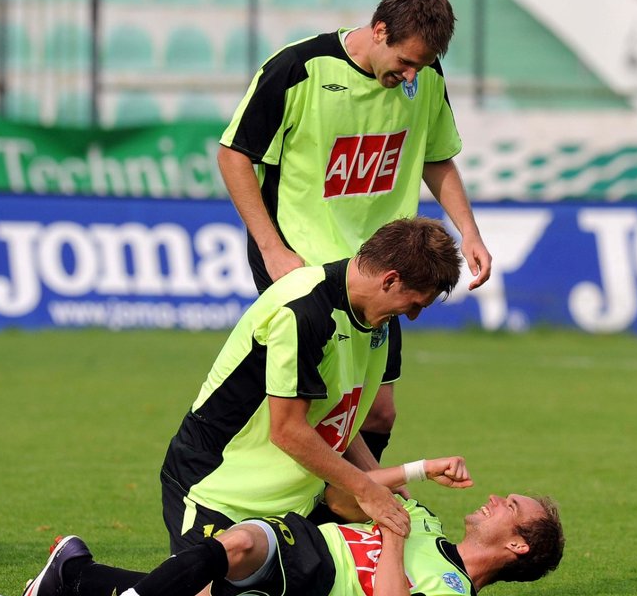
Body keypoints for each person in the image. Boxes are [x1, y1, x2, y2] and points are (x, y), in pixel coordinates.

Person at [217, 0, 492, 467]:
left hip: (384, 271)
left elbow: (437, 156)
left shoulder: (425, 76)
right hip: (304, 265)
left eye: (421, 66)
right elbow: (235, 155)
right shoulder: (299, 68)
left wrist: (468, 230)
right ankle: (279, 509)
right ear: (379, 29)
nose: (411, 75)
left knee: (378, 413)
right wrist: (271, 249)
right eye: (405, 62)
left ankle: (335, 513)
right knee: (316, 410)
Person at [151, 216, 460, 556]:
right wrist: (366, 489)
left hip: (288, 505)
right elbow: (288, 430)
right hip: (217, 490)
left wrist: (374, 475)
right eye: (415, 304)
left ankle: (82, 574)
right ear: (390, 280)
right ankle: (84, 580)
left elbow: (333, 409)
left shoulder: (376, 318)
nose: (413, 316)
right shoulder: (304, 310)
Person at [12, 459, 565, 596]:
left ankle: (75, 588)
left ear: (517, 544)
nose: (496, 499)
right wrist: (413, 474)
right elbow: (341, 493)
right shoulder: (423, 516)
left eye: (511, 506)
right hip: (310, 551)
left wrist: (392, 533)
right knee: (242, 542)